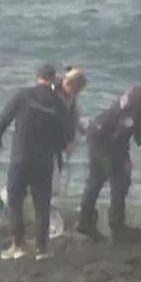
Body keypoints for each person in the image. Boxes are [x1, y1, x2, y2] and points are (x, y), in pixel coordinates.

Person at [77, 79, 141, 242]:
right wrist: (125, 160)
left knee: (95, 180)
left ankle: (85, 223)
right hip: (108, 139)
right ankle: (117, 228)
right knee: (120, 182)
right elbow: (120, 136)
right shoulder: (139, 108)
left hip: (97, 130)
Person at [0, 64, 69, 260]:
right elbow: (67, 134)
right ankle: (42, 249)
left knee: (15, 200)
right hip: (44, 160)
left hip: (21, 158)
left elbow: (3, 119)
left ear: (37, 77)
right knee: (42, 204)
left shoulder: (23, 95)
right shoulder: (58, 102)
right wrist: (56, 149)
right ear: (53, 79)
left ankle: (19, 246)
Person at [48, 66, 88, 236]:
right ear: (68, 84)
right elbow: (53, 124)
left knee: (42, 182)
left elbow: (76, 117)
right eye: (76, 89)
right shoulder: (52, 98)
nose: (77, 94)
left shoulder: (70, 98)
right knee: (52, 186)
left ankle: (7, 196)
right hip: (47, 147)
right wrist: (66, 143)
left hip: (56, 148)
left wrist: (83, 128)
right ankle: (53, 227)